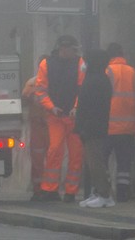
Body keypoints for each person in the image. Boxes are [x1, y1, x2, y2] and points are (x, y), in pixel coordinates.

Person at [32, 34, 86, 202]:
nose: (68, 52)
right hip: (55, 116)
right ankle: (50, 189)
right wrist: (51, 107)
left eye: (70, 49)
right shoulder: (46, 64)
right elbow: (40, 90)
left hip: (73, 118)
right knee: (54, 150)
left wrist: (76, 108)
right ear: (60, 48)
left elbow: (82, 89)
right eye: (66, 48)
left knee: (76, 154)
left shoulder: (80, 63)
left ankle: (71, 191)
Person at [74, 48, 115, 208]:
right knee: (92, 161)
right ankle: (98, 192)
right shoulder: (95, 79)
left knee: (95, 161)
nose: (83, 64)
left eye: (86, 61)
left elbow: (92, 107)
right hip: (91, 127)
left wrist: (84, 126)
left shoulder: (96, 81)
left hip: (93, 128)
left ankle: (104, 195)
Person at [105, 42, 135, 202]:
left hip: (109, 126)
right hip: (128, 127)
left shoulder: (106, 71)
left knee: (103, 160)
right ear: (122, 55)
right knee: (124, 163)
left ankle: (104, 191)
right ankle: (123, 193)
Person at [22, 58, 51, 201]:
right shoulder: (32, 82)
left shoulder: (34, 82)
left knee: (49, 158)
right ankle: (40, 189)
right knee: (40, 158)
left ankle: (46, 188)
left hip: (49, 124)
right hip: (41, 124)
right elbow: (24, 99)